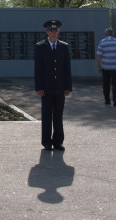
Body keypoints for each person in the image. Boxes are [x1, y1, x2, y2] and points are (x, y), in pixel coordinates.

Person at [34, 19, 72, 151]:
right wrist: (39, 87)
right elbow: (38, 69)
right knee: (46, 115)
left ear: (59, 31)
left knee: (58, 115)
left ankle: (58, 142)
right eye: (51, 30)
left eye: (55, 30)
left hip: (60, 87)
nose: (53, 32)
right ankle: (46, 142)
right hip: (46, 87)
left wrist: (68, 86)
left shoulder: (64, 46)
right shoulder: (40, 46)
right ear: (47, 32)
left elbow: (67, 68)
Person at [96, 28, 116, 106]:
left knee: (106, 83)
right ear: (113, 33)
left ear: (106, 34)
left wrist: (99, 66)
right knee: (115, 83)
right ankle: (115, 99)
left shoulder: (102, 42)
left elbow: (99, 55)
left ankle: (107, 100)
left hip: (105, 66)